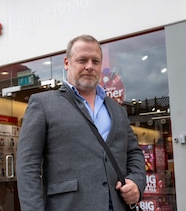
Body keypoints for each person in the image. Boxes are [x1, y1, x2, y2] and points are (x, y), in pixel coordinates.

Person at [16, 35, 146, 211]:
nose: (89, 66)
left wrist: (136, 183)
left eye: (95, 61)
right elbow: (27, 166)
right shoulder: (42, 104)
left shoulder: (117, 110)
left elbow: (134, 153)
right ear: (67, 62)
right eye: (82, 60)